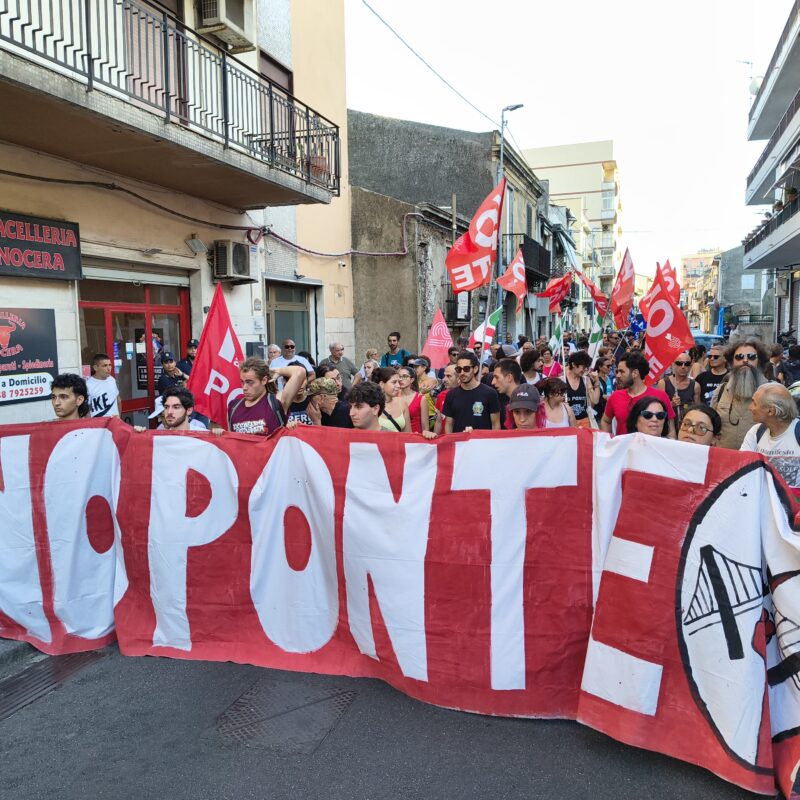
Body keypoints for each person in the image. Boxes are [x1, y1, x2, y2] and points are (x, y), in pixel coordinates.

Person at [741, 384, 800, 495]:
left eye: (754, 403)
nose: (750, 408)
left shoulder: (797, 431)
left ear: (771, 411)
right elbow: (743, 468)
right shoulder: (755, 432)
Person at [600, 351, 676, 437]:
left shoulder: (660, 396)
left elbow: (670, 429)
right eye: (617, 371)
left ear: (635, 373)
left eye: (622, 372)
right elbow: (606, 421)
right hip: (623, 450)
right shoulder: (615, 397)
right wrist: (610, 443)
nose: (617, 375)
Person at [711, 339, 769, 450]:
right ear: (732, 362)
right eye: (739, 357)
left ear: (759, 361)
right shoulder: (721, 390)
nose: (745, 360)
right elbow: (711, 423)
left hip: (757, 462)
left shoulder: (771, 391)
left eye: (751, 356)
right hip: (723, 459)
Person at [228, 357, 306, 435]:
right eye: (242, 382)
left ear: (264, 380)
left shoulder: (276, 402)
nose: (244, 387)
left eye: (250, 382)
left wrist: (279, 371)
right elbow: (230, 440)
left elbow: (299, 371)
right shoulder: (233, 406)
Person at [442, 351, 501, 433]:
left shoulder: (490, 393)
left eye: (466, 369)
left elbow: (495, 424)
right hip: (460, 444)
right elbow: (449, 424)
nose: (462, 373)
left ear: (475, 369)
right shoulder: (451, 395)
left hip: (482, 443)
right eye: (459, 369)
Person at [134, 387, 208, 432]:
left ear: (189, 410)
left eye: (176, 407)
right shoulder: (159, 435)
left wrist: (217, 434)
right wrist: (140, 435)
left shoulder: (203, 434)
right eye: (166, 407)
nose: (169, 412)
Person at [657, 352, 695, 425]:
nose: (683, 366)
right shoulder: (663, 383)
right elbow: (657, 408)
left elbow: (698, 410)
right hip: (668, 427)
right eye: (679, 363)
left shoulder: (695, 386)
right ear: (672, 364)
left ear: (690, 366)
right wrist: (671, 404)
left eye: (687, 364)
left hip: (687, 428)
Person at [564, 351, 600, 428]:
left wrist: (597, 382)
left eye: (587, 367)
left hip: (584, 422)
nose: (585, 370)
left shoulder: (585, 380)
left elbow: (595, 400)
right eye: (583, 367)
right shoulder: (562, 379)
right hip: (567, 422)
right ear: (573, 364)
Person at [371, 366, 411, 432]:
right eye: (394, 382)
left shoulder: (402, 403)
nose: (398, 386)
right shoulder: (370, 406)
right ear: (382, 384)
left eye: (398, 382)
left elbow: (408, 434)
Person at [491, 358, 523, 429]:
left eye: (496, 377)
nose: (493, 382)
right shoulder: (499, 400)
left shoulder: (528, 400)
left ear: (509, 377)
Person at [86, 353, 121, 417]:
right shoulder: (88, 385)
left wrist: (119, 418)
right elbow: (86, 410)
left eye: (110, 365)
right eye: (105, 365)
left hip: (114, 423)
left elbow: (118, 400)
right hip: (99, 424)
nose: (109, 368)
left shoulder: (112, 380)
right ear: (95, 368)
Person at [396, 364, 427, 433]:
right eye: (399, 376)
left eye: (404, 376)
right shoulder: (393, 396)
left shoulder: (421, 398)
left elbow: (425, 427)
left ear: (412, 380)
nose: (400, 379)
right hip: (397, 437)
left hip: (414, 438)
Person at [433, 363, 458, 435]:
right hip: (443, 441)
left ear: (459, 377)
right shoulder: (441, 395)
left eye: (449, 376)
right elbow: (438, 421)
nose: (444, 379)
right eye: (444, 376)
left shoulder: (467, 396)